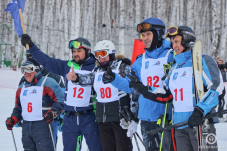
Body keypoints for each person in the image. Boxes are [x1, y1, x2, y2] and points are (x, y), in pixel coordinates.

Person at [127, 26, 224, 151]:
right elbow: (166, 94)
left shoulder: (202, 60)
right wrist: (143, 89)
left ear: (187, 41)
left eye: (177, 42)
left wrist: (200, 110)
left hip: (200, 123)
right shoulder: (174, 67)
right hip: (179, 125)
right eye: (172, 43)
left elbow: (217, 88)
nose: (174, 46)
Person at [102, 17, 173, 151]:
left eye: (148, 34)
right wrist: (113, 78)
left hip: (166, 119)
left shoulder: (171, 55)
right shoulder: (140, 60)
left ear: (158, 34)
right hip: (146, 119)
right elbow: (129, 86)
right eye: (143, 35)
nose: (144, 38)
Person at [21, 35, 103, 151]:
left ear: (87, 51)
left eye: (79, 51)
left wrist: (77, 78)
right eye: (74, 51)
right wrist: (31, 46)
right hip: (70, 118)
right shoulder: (66, 66)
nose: (75, 54)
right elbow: (46, 61)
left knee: (97, 148)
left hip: (89, 117)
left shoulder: (96, 67)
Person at [68, 40, 137, 151]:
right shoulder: (97, 71)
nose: (100, 57)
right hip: (103, 120)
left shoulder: (121, 68)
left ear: (111, 53)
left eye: (103, 54)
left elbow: (133, 91)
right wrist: (76, 78)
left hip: (120, 119)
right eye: (97, 55)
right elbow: (88, 79)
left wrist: (134, 117)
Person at [5, 58, 64, 151]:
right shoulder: (22, 88)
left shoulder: (48, 82)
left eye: (29, 69)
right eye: (23, 70)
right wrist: (13, 119)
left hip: (43, 126)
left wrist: (54, 112)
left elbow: (60, 100)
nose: (26, 73)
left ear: (36, 69)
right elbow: (18, 108)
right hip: (27, 128)